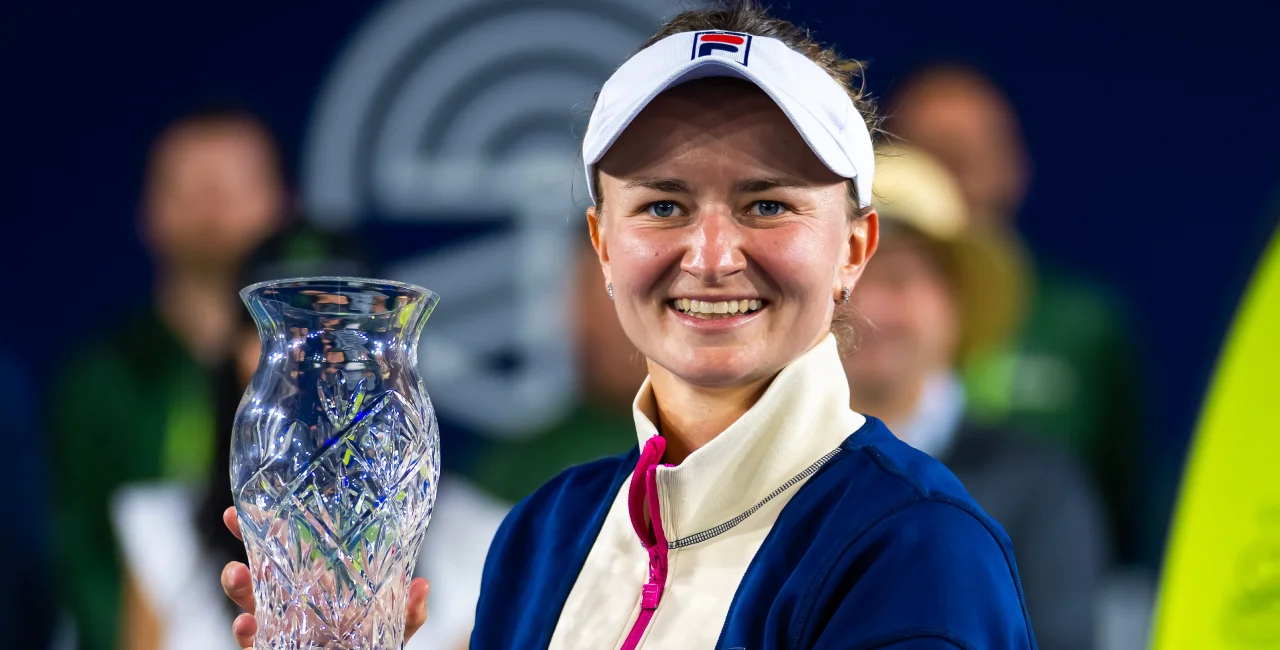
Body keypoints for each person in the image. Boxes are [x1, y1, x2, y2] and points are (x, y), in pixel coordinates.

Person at [220, 3, 1036, 648]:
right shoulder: (546, 535)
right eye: (663, 206)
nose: (711, 257)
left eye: (766, 205)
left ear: (854, 248)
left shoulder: (917, 547)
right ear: (603, 245)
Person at [844, 146, 1108, 650]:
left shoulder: (1039, 484)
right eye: (852, 277)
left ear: (956, 301)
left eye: (899, 279)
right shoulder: (763, 472)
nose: (871, 307)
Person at [887, 65, 1148, 565]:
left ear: (1014, 167)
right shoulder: (826, 316)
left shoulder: (1083, 320)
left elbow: (1123, 500)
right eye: (927, 154)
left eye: (967, 156)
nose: (949, 178)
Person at [51, 107, 286, 650]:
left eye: (232, 186)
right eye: (189, 187)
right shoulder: (98, 381)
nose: (212, 207)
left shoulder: (318, 373)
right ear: (148, 210)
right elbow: (78, 555)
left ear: (281, 202)